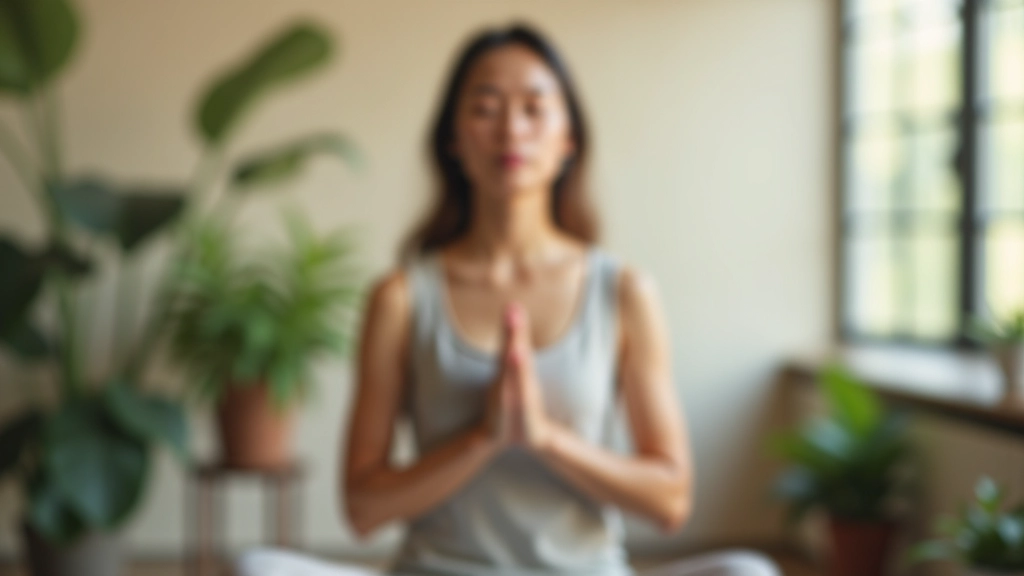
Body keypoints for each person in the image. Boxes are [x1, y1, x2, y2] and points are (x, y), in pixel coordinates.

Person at [234, 22, 781, 576]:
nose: (510, 130)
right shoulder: (400, 298)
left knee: (747, 573)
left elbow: (670, 501)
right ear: (452, 138)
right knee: (260, 567)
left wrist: (544, 439)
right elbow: (364, 508)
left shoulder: (623, 292)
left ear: (569, 138)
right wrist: (483, 439)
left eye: (534, 108)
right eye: (485, 107)